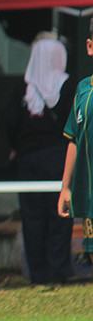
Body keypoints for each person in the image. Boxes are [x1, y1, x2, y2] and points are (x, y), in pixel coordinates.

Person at [8, 35, 74, 284]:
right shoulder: (69, 87)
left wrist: (18, 147)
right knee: (60, 216)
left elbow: (11, 123)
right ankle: (57, 271)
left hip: (29, 161)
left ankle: (37, 274)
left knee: (32, 218)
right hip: (60, 160)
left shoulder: (22, 88)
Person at [60, 19, 93, 270]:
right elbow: (73, 140)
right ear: (90, 47)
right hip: (89, 195)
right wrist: (66, 187)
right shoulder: (83, 90)